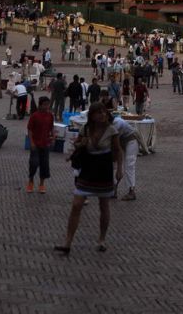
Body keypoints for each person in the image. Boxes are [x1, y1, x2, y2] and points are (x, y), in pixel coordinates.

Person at [55, 102, 123, 254]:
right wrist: (80, 144)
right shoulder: (85, 129)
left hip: (103, 168)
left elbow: (118, 150)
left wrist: (119, 169)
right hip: (88, 168)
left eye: (104, 112)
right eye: (99, 112)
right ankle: (68, 241)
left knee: (103, 205)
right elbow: (77, 143)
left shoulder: (112, 130)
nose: (102, 115)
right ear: (92, 115)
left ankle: (102, 239)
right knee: (76, 204)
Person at [26, 96, 54, 193]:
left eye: (48, 104)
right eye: (45, 104)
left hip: (45, 143)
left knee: (44, 164)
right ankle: (31, 181)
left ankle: (42, 184)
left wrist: (53, 137)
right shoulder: (34, 116)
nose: (47, 106)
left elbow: (51, 128)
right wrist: (32, 142)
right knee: (34, 163)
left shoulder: (50, 115)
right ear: (40, 105)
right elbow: (29, 129)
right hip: (36, 144)